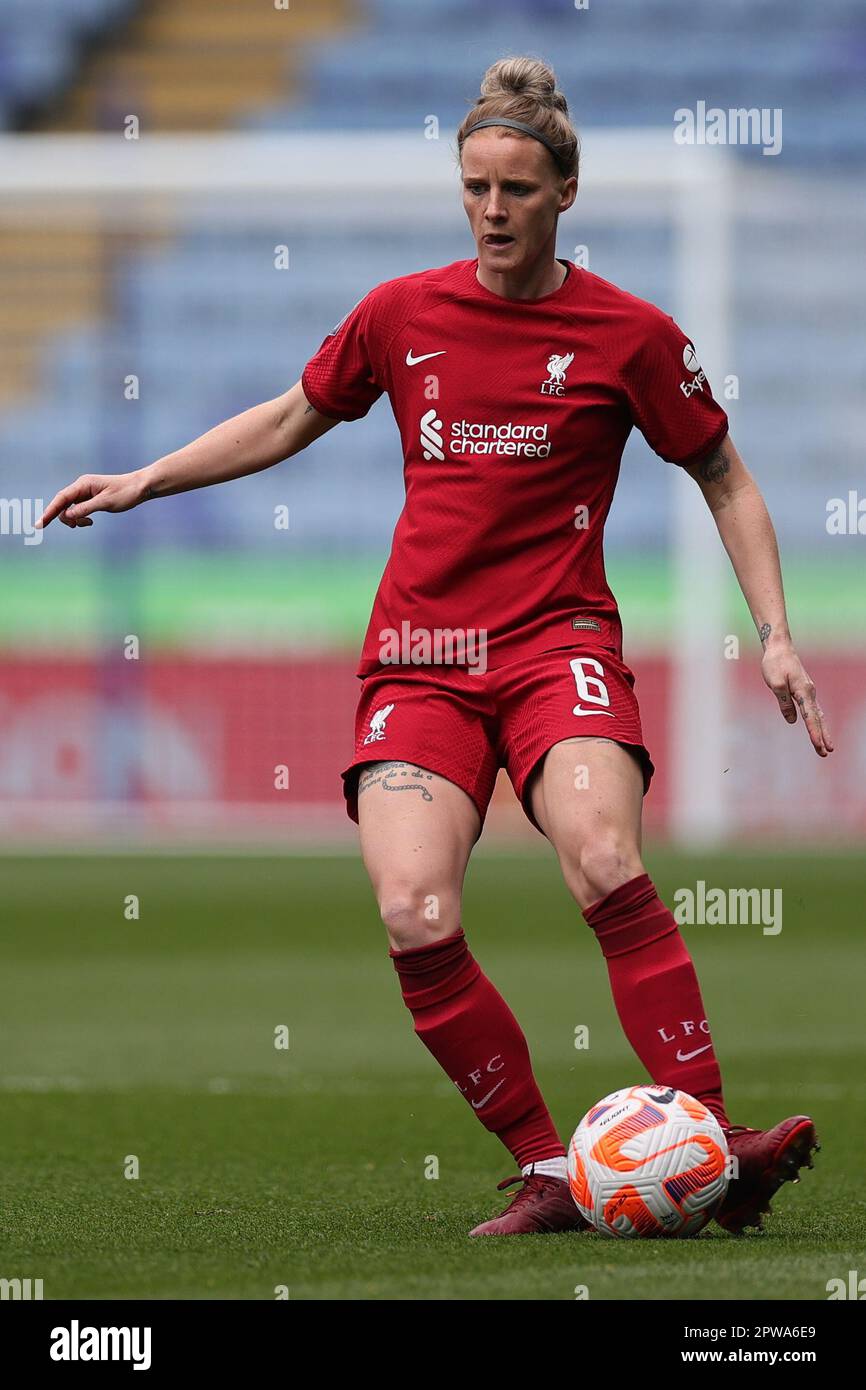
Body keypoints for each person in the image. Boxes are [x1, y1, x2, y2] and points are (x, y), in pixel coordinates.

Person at [38, 55, 829, 1237]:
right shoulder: (401, 314)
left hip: (555, 642)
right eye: (474, 187)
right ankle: (550, 1171)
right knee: (413, 908)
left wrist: (772, 634)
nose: (493, 210)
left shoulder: (628, 334)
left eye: (516, 187)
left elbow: (723, 475)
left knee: (604, 858)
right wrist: (149, 477)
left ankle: (715, 1146)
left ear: (565, 193)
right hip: (420, 653)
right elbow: (292, 414)